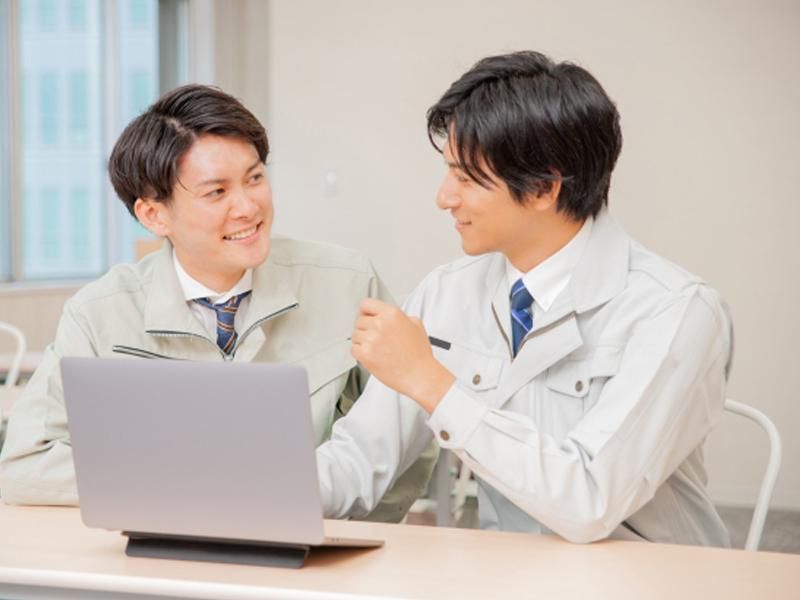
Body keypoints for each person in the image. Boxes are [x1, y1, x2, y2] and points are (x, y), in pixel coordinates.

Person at [317, 51, 733, 545]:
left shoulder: (675, 311)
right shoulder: (445, 293)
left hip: (649, 574)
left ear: (542, 188)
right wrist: (257, 495)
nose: (444, 197)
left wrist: (430, 381)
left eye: (466, 178)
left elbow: (588, 501)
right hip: (510, 571)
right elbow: (358, 461)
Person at [0, 84, 436, 521]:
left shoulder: (349, 282)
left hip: (319, 547)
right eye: (216, 192)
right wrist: (194, 486)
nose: (247, 207)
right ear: (154, 214)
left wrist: (351, 541)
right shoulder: (98, 314)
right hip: (157, 549)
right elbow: (25, 466)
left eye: (255, 178)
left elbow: (408, 436)